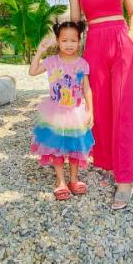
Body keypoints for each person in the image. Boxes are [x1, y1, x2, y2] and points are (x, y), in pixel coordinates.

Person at [68, 0, 133, 210]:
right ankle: (108, 163)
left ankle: (125, 179)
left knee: (123, 109)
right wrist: (64, 49)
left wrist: (130, 38)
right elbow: (76, 23)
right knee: (99, 109)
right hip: (94, 45)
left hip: (121, 42)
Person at [29, 21, 94, 201]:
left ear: (79, 41)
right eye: (64, 40)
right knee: (56, 147)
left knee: (74, 146)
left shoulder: (82, 64)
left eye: (73, 40)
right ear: (57, 41)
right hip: (55, 112)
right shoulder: (51, 61)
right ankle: (60, 181)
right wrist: (40, 51)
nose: (69, 44)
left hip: (76, 112)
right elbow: (32, 72)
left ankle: (74, 179)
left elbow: (87, 88)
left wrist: (91, 110)